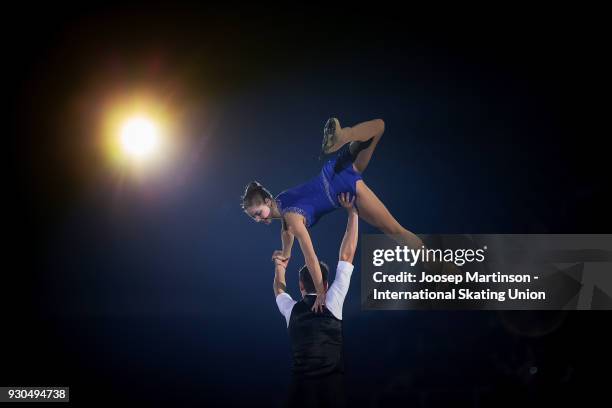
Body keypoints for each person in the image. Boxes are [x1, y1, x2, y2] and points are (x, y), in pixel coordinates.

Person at [242, 117, 429, 313]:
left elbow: (311, 258)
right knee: (379, 127)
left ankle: (441, 267)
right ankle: (345, 136)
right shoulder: (281, 202)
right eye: (253, 217)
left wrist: (322, 293)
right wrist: (284, 254)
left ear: (267, 202)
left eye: (257, 213)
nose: (258, 219)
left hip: (342, 190)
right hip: (334, 169)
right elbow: (286, 236)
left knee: (395, 230)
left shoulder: (292, 219)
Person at [273, 192, 358, 408]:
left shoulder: (291, 310)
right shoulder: (333, 300)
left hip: (300, 394)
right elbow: (346, 256)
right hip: (333, 394)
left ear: (300, 286)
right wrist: (352, 213)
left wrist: (280, 267)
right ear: (326, 286)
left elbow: (279, 289)